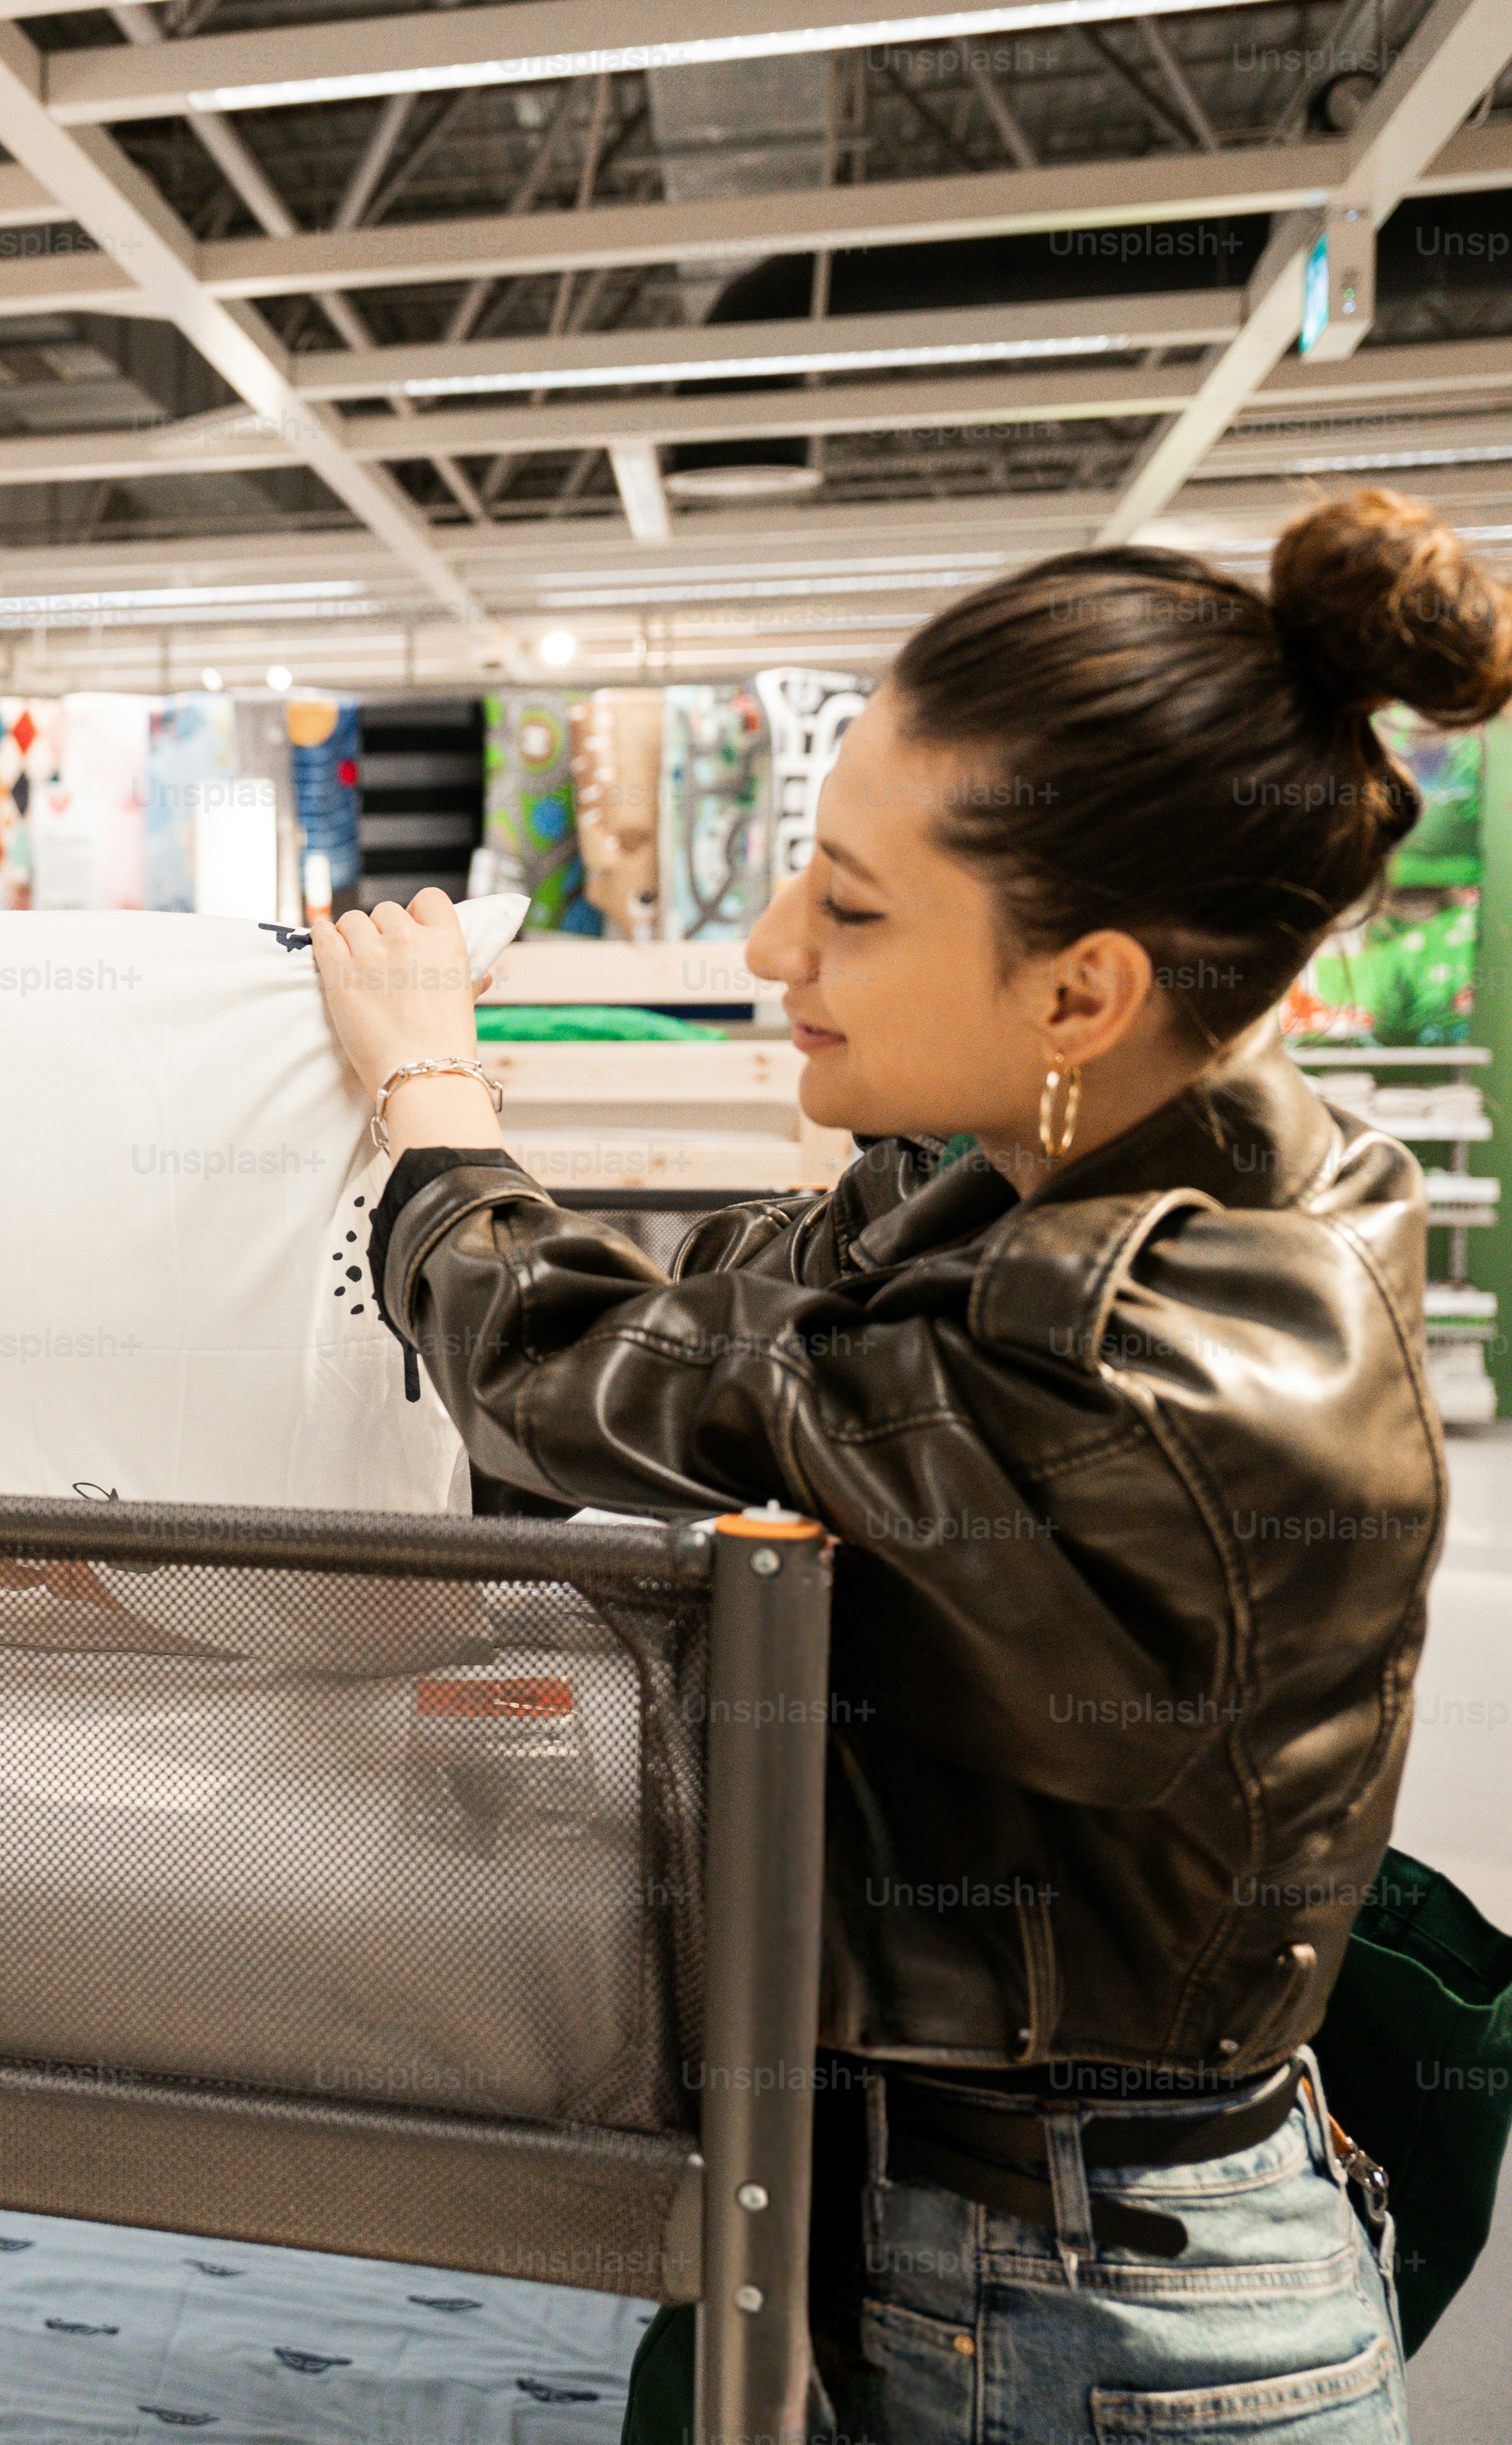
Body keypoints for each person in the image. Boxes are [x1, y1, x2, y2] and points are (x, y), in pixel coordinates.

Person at [316, 489, 1485, 2438]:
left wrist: (429, 1104)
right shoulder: (1080, 1173)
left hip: (1087, 2331)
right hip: (970, 2250)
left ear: (1083, 991)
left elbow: (595, 1370)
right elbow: (713, 1310)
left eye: (853, 909)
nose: (778, 946)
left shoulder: (1154, 1366)